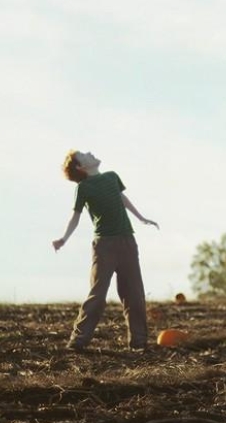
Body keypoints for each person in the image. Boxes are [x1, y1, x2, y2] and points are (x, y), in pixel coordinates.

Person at [52, 150, 159, 352]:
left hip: (127, 241)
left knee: (134, 294)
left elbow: (122, 199)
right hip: (104, 246)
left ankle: (138, 342)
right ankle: (77, 341)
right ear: (79, 167)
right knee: (97, 295)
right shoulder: (83, 188)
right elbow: (75, 216)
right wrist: (63, 239)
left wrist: (141, 218)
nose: (90, 153)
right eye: (84, 155)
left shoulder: (112, 176)